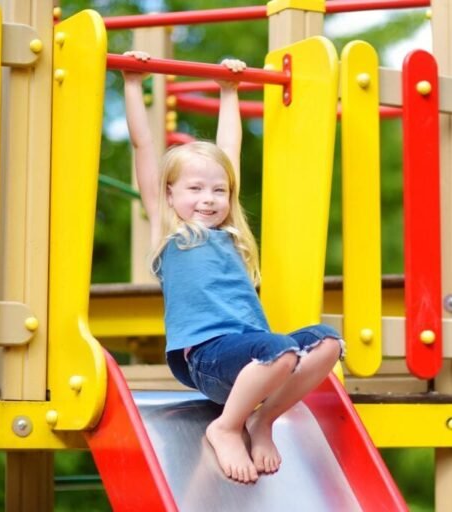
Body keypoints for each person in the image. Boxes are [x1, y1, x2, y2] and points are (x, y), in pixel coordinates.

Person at [122, 51, 344, 484]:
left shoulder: (231, 234)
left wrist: (229, 90)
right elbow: (144, 147)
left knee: (328, 343)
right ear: (169, 195)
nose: (208, 198)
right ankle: (225, 427)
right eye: (195, 189)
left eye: (218, 190)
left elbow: (230, 151)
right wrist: (133, 84)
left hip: (253, 356)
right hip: (207, 356)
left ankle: (261, 423)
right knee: (277, 349)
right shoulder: (169, 232)